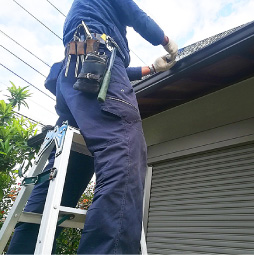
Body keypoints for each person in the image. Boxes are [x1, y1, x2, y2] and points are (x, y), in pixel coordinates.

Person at [7, 0, 178, 254]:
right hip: (96, 66)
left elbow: (109, 62)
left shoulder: (87, 16)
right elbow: (136, 16)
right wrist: (166, 42)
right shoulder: (102, 26)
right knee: (124, 151)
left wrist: (152, 68)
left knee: (71, 167)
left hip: (78, 75)